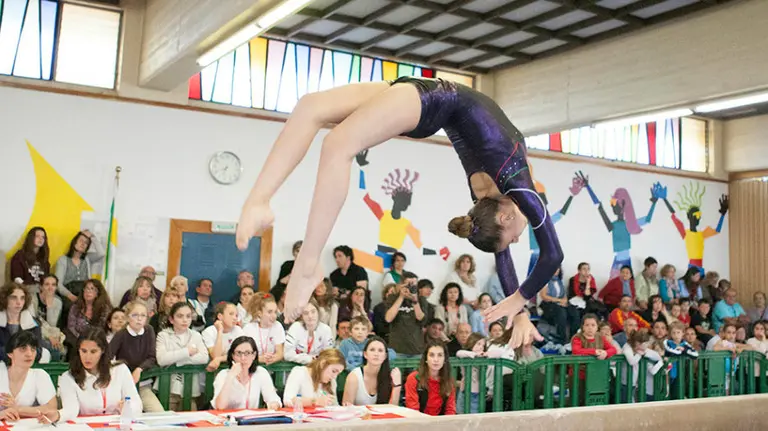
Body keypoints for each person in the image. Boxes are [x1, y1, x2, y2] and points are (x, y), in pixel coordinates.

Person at [234, 77, 562, 348]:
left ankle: (305, 256)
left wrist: (519, 308)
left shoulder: (500, 196)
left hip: (428, 98)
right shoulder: (521, 191)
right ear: (504, 218)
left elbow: (502, 252)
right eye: (517, 237)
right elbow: (553, 255)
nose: (521, 236)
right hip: (430, 97)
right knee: (311, 108)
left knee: (336, 144)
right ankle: (263, 207)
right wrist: (520, 301)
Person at [41, 328, 142, 423]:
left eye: (93, 352)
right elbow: (71, 409)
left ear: (102, 351)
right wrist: (58, 415)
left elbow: (136, 403)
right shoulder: (68, 377)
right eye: (84, 351)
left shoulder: (120, 370)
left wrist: (128, 408)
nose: (87, 357)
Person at [106, 301, 163, 412]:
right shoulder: (121, 334)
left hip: (143, 384)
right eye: (135, 315)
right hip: (123, 386)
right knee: (128, 412)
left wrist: (139, 369)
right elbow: (107, 356)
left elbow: (152, 357)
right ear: (127, 317)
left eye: (143, 315)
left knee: (157, 411)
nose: (139, 319)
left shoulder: (149, 330)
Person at [0, 331, 57, 421]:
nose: (29, 354)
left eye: (33, 349)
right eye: (23, 349)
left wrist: (18, 409)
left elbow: (51, 409)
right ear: (10, 353)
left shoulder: (40, 375)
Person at [212, 336, 281, 410]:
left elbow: (273, 398)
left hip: (250, 420)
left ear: (254, 355)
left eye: (247, 353)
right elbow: (220, 406)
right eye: (238, 353)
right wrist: (231, 376)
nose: (243, 358)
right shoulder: (223, 375)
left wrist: (274, 404)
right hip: (227, 419)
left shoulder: (260, 372)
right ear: (233, 356)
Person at [342, 336, 401, 406]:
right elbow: (346, 407)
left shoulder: (391, 375)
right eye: (372, 350)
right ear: (365, 354)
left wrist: (397, 386)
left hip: (383, 416)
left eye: (380, 350)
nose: (376, 354)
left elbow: (393, 409)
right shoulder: (354, 376)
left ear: (385, 356)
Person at [404, 340, 455, 416]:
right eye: (431, 355)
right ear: (426, 359)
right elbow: (413, 411)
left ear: (445, 359)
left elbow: (450, 410)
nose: (436, 360)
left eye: (440, 355)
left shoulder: (449, 381)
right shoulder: (414, 378)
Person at [202, 302, 245, 371]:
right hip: (212, 373)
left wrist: (220, 359)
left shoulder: (238, 330)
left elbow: (241, 354)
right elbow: (216, 356)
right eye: (231, 314)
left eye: (236, 315)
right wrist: (220, 331)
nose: (234, 318)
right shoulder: (208, 332)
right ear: (220, 316)